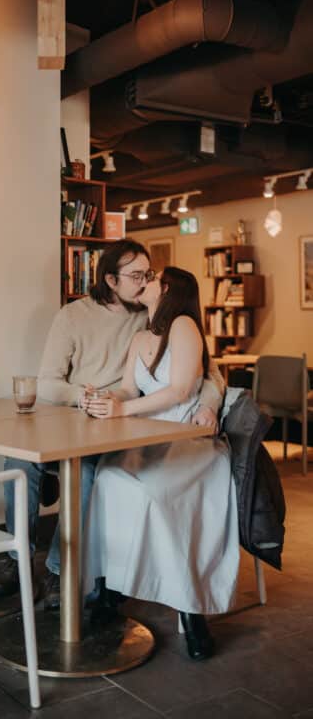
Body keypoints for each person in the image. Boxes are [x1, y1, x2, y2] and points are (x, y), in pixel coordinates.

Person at [0, 240, 225, 608]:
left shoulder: (153, 315)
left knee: (87, 472)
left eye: (149, 274)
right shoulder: (73, 316)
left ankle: (58, 570)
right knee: (19, 462)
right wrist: (82, 397)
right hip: (75, 414)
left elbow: (205, 372)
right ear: (111, 280)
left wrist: (208, 403)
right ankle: (17, 559)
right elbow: (48, 380)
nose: (144, 282)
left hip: (122, 423)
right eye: (135, 276)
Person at [82, 267, 240, 660]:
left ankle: (190, 608)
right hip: (146, 438)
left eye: (151, 276)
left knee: (154, 491)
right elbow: (127, 387)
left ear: (166, 289)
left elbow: (182, 389)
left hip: (188, 440)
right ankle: (109, 587)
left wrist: (123, 409)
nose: (144, 280)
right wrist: (101, 398)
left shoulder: (184, 325)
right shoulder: (140, 336)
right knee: (107, 476)